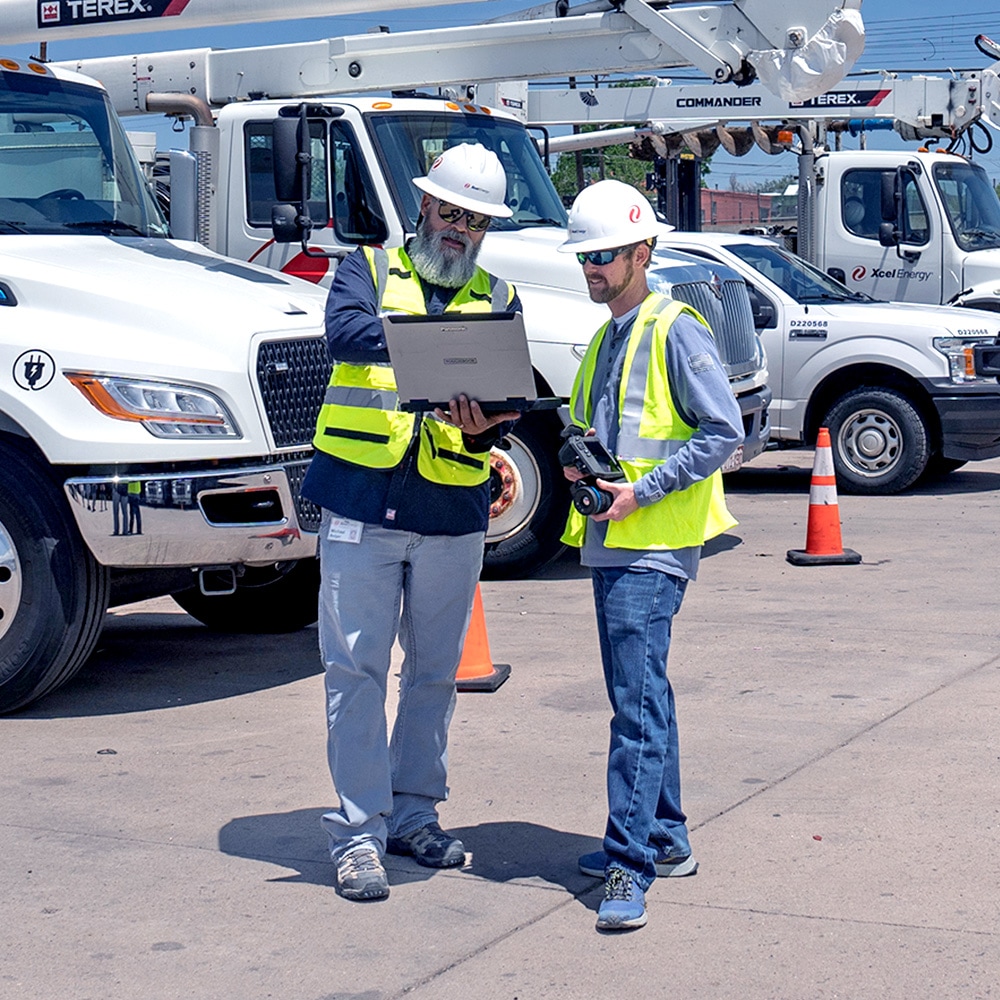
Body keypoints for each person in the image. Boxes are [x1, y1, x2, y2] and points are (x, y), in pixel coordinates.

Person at [301, 142, 521, 903]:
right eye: (452, 212)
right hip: (362, 504)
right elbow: (346, 336)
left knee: (433, 675)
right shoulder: (365, 269)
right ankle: (359, 833)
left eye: (478, 221)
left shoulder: (499, 294)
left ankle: (413, 814)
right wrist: (443, 357)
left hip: (450, 512)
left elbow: (502, 404)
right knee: (354, 673)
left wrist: (483, 424)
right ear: (425, 206)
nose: (461, 229)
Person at [557, 179, 744, 931]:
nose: (592, 268)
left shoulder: (675, 326)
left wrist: (640, 492)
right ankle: (665, 840)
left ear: (642, 251)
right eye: (584, 257)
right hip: (612, 541)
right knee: (645, 698)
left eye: (603, 255)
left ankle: (629, 866)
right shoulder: (608, 335)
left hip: (652, 544)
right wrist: (580, 462)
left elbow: (722, 430)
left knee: (633, 710)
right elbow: (596, 429)